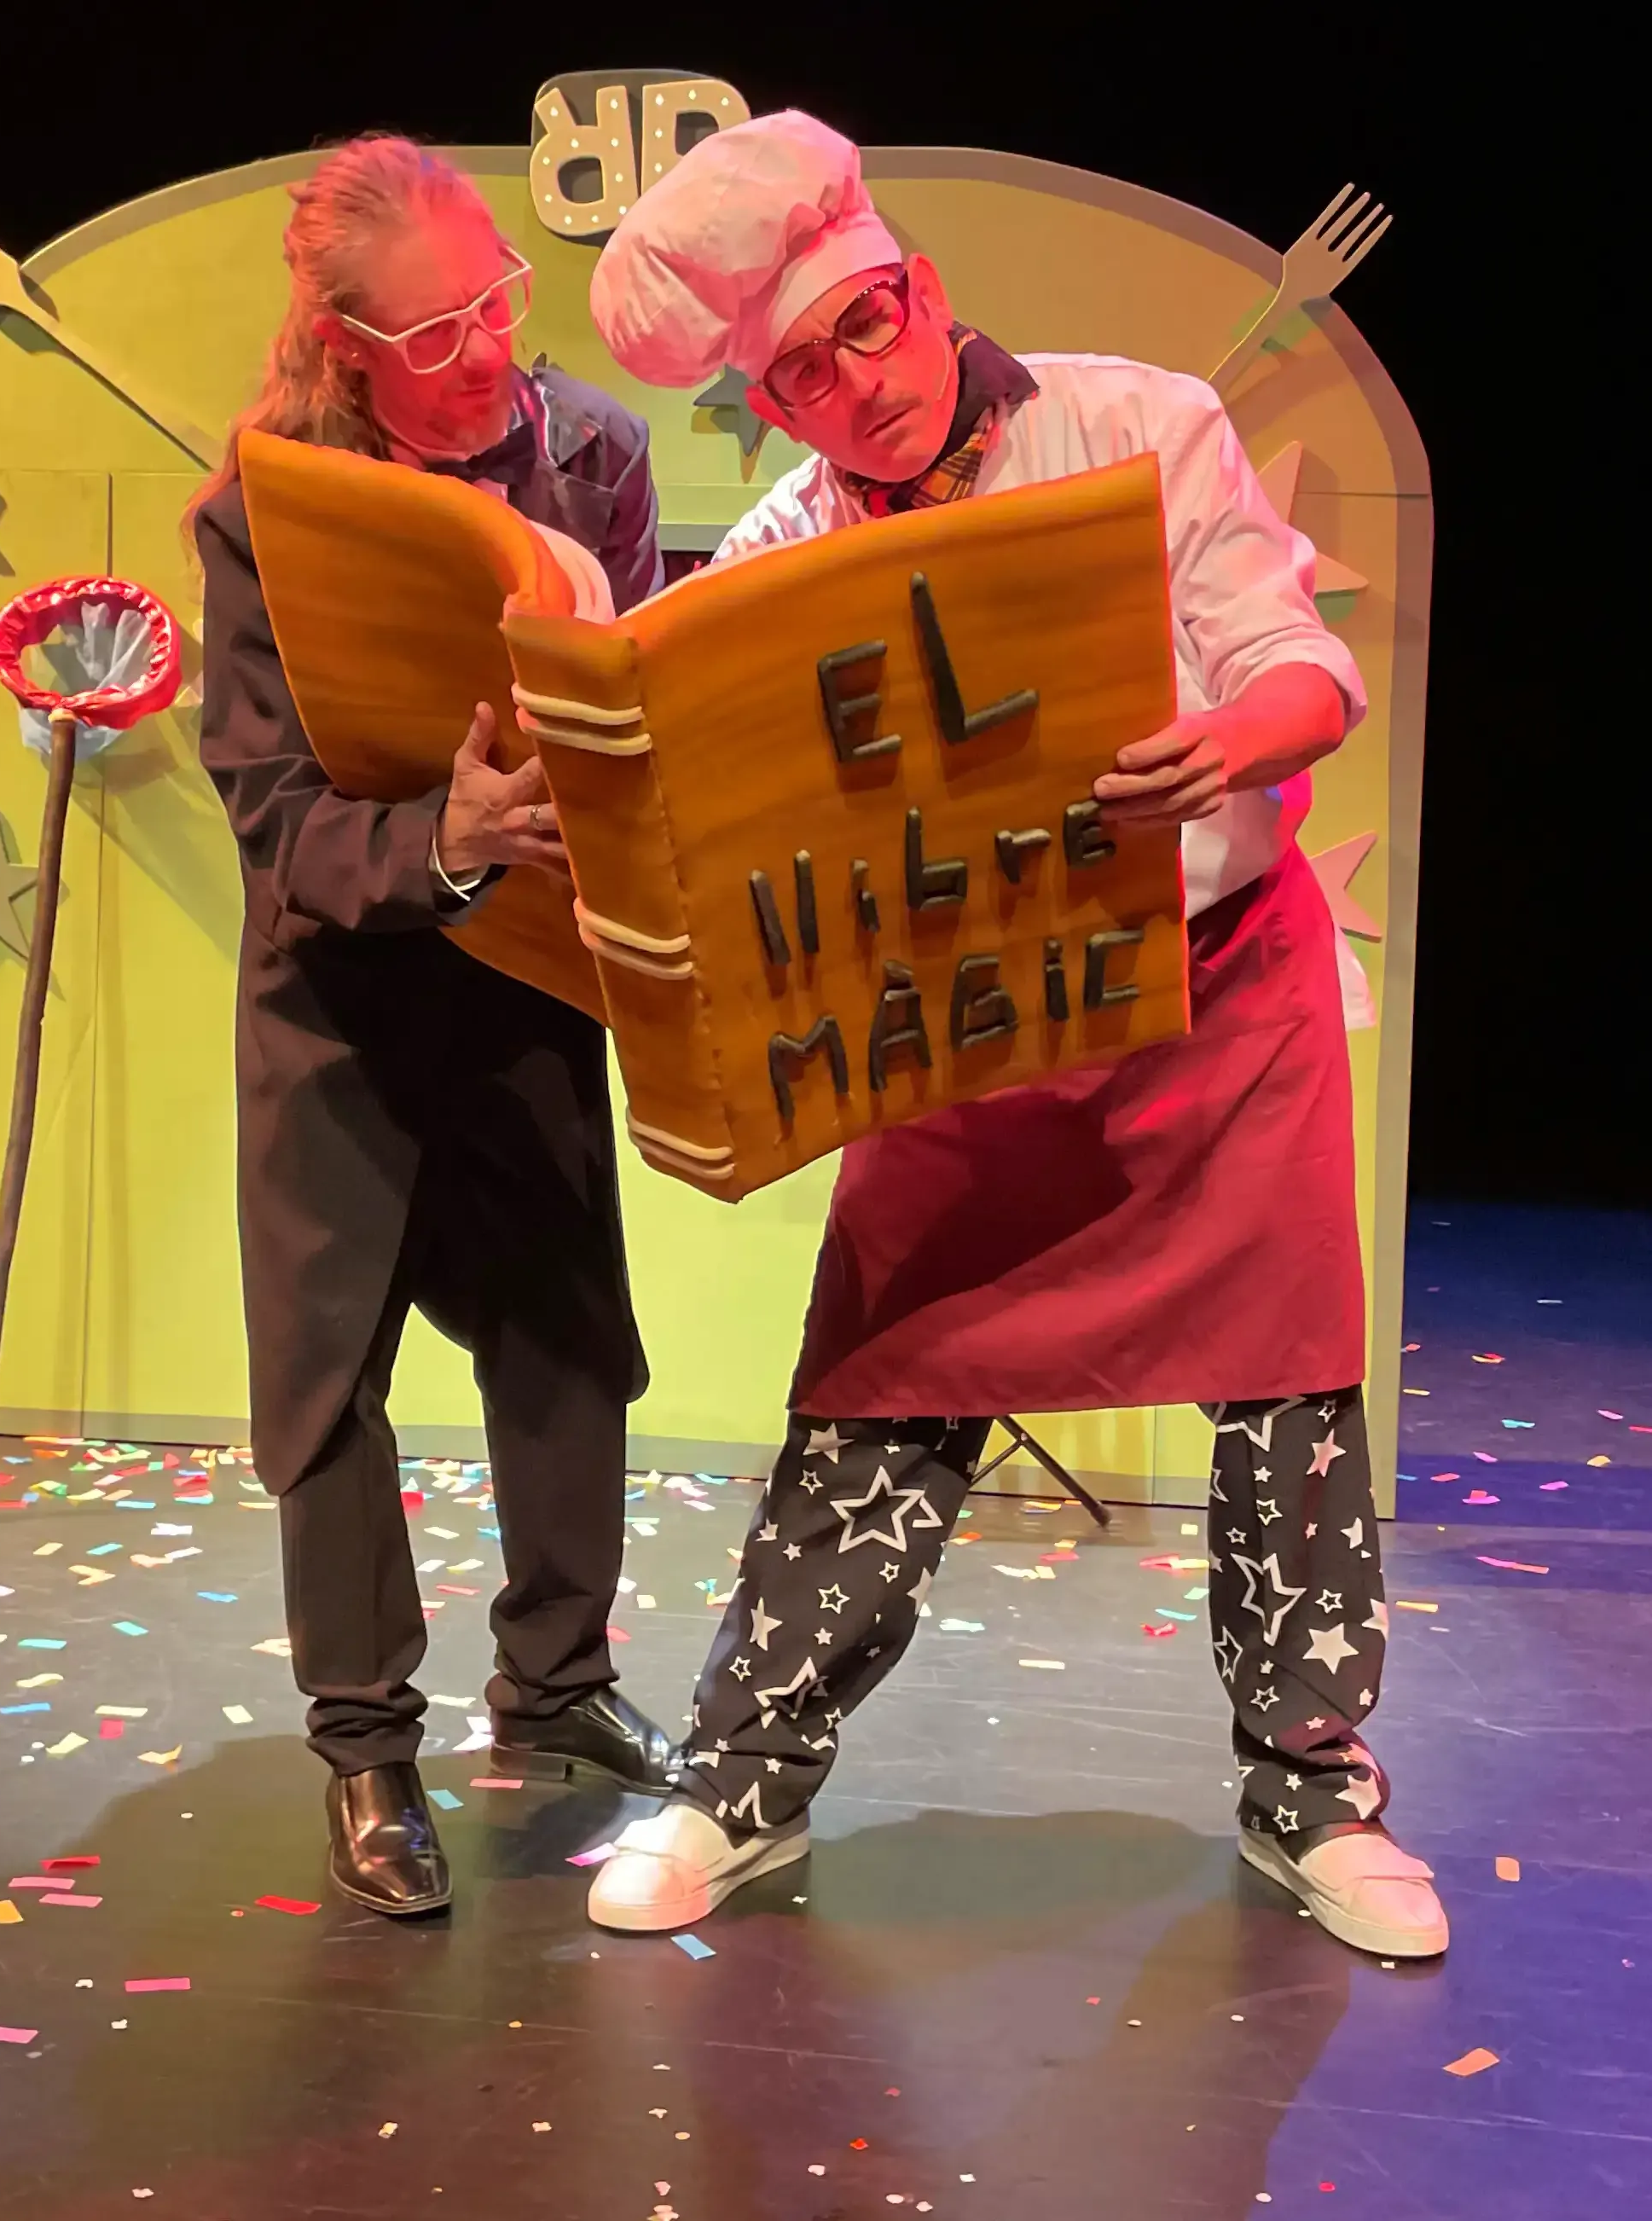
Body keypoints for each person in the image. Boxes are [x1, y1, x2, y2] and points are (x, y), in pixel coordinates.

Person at [576, 112, 1446, 1957]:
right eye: (804, 376)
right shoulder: (791, 548)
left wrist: (1228, 739)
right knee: (879, 1382)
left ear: (924, 289)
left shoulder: (1141, 423)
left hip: (1214, 997)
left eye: (869, 327)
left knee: (1289, 1396)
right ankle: (744, 1785)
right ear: (772, 402)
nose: (858, 388)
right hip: (971, 1020)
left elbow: (1302, 668)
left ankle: (1314, 1793)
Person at [190, 136, 676, 1917]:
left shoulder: (595, 453)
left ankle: (556, 1679)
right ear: (344, 344)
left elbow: (637, 690)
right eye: (436, 333)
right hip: (341, 993)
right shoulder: (265, 508)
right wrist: (442, 844)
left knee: (567, 1342)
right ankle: (365, 1747)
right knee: (328, 1386)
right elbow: (269, 812)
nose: (486, 355)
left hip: (530, 976)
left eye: (499, 306)